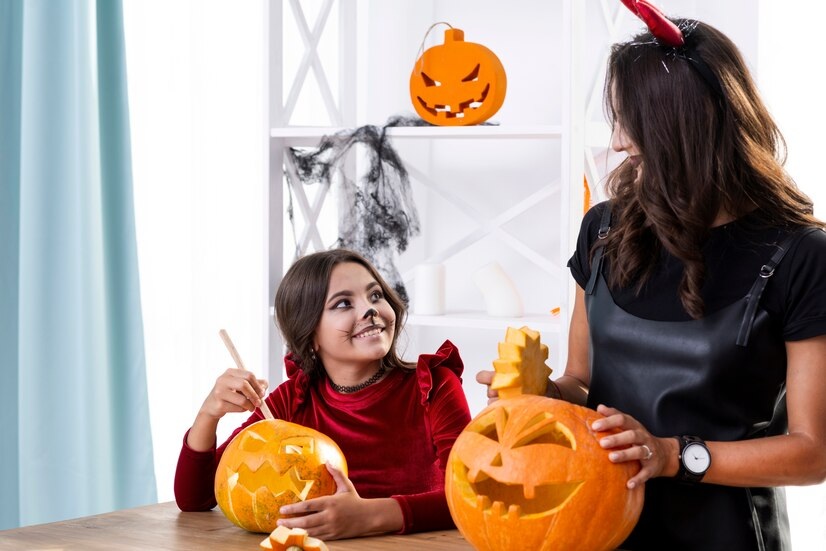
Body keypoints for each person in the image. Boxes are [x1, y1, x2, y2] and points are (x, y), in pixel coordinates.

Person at [478, 12, 826, 551]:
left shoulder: (801, 255)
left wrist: (669, 455)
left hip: (725, 536)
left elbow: (810, 453)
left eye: (628, 122)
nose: (617, 143)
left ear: (679, 129)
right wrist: (537, 398)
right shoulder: (604, 229)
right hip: (596, 525)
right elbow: (581, 383)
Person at [175, 248, 471, 540]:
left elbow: (469, 496)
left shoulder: (433, 386)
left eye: (375, 295)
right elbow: (196, 499)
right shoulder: (293, 400)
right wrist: (209, 413)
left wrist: (369, 516)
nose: (369, 309)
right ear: (310, 334)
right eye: (343, 303)